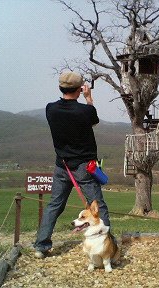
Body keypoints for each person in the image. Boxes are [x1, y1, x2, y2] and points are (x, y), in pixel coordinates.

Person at [34, 71, 111, 258]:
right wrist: (89, 98)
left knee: (55, 205)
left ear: (61, 87)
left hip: (62, 166)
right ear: (79, 89)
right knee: (98, 206)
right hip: (84, 167)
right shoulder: (85, 110)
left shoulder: (50, 109)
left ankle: (41, 246)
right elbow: (93, 121)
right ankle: (107, 246)